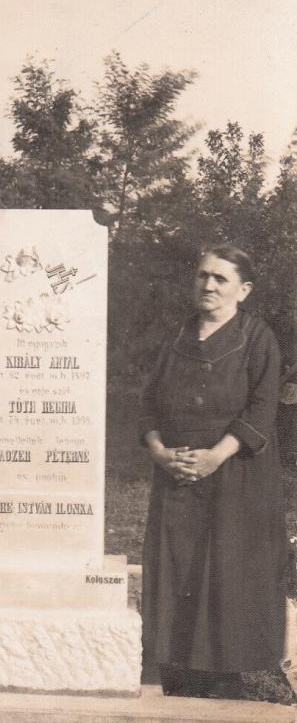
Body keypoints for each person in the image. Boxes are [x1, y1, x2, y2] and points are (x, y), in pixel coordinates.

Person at [139, 244, 288, 700]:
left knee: (230, 571)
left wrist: (215, 456)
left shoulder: (258, 338)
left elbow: (262, 408)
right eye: (203, 275)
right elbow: (147, 406)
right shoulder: (176, 339)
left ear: (243, 290)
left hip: (236, 475)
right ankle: (180, 671)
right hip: (178, 475)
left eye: (221, 279)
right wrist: (161, 452)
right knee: (179, 570)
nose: (208, 285)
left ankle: (234, 676)